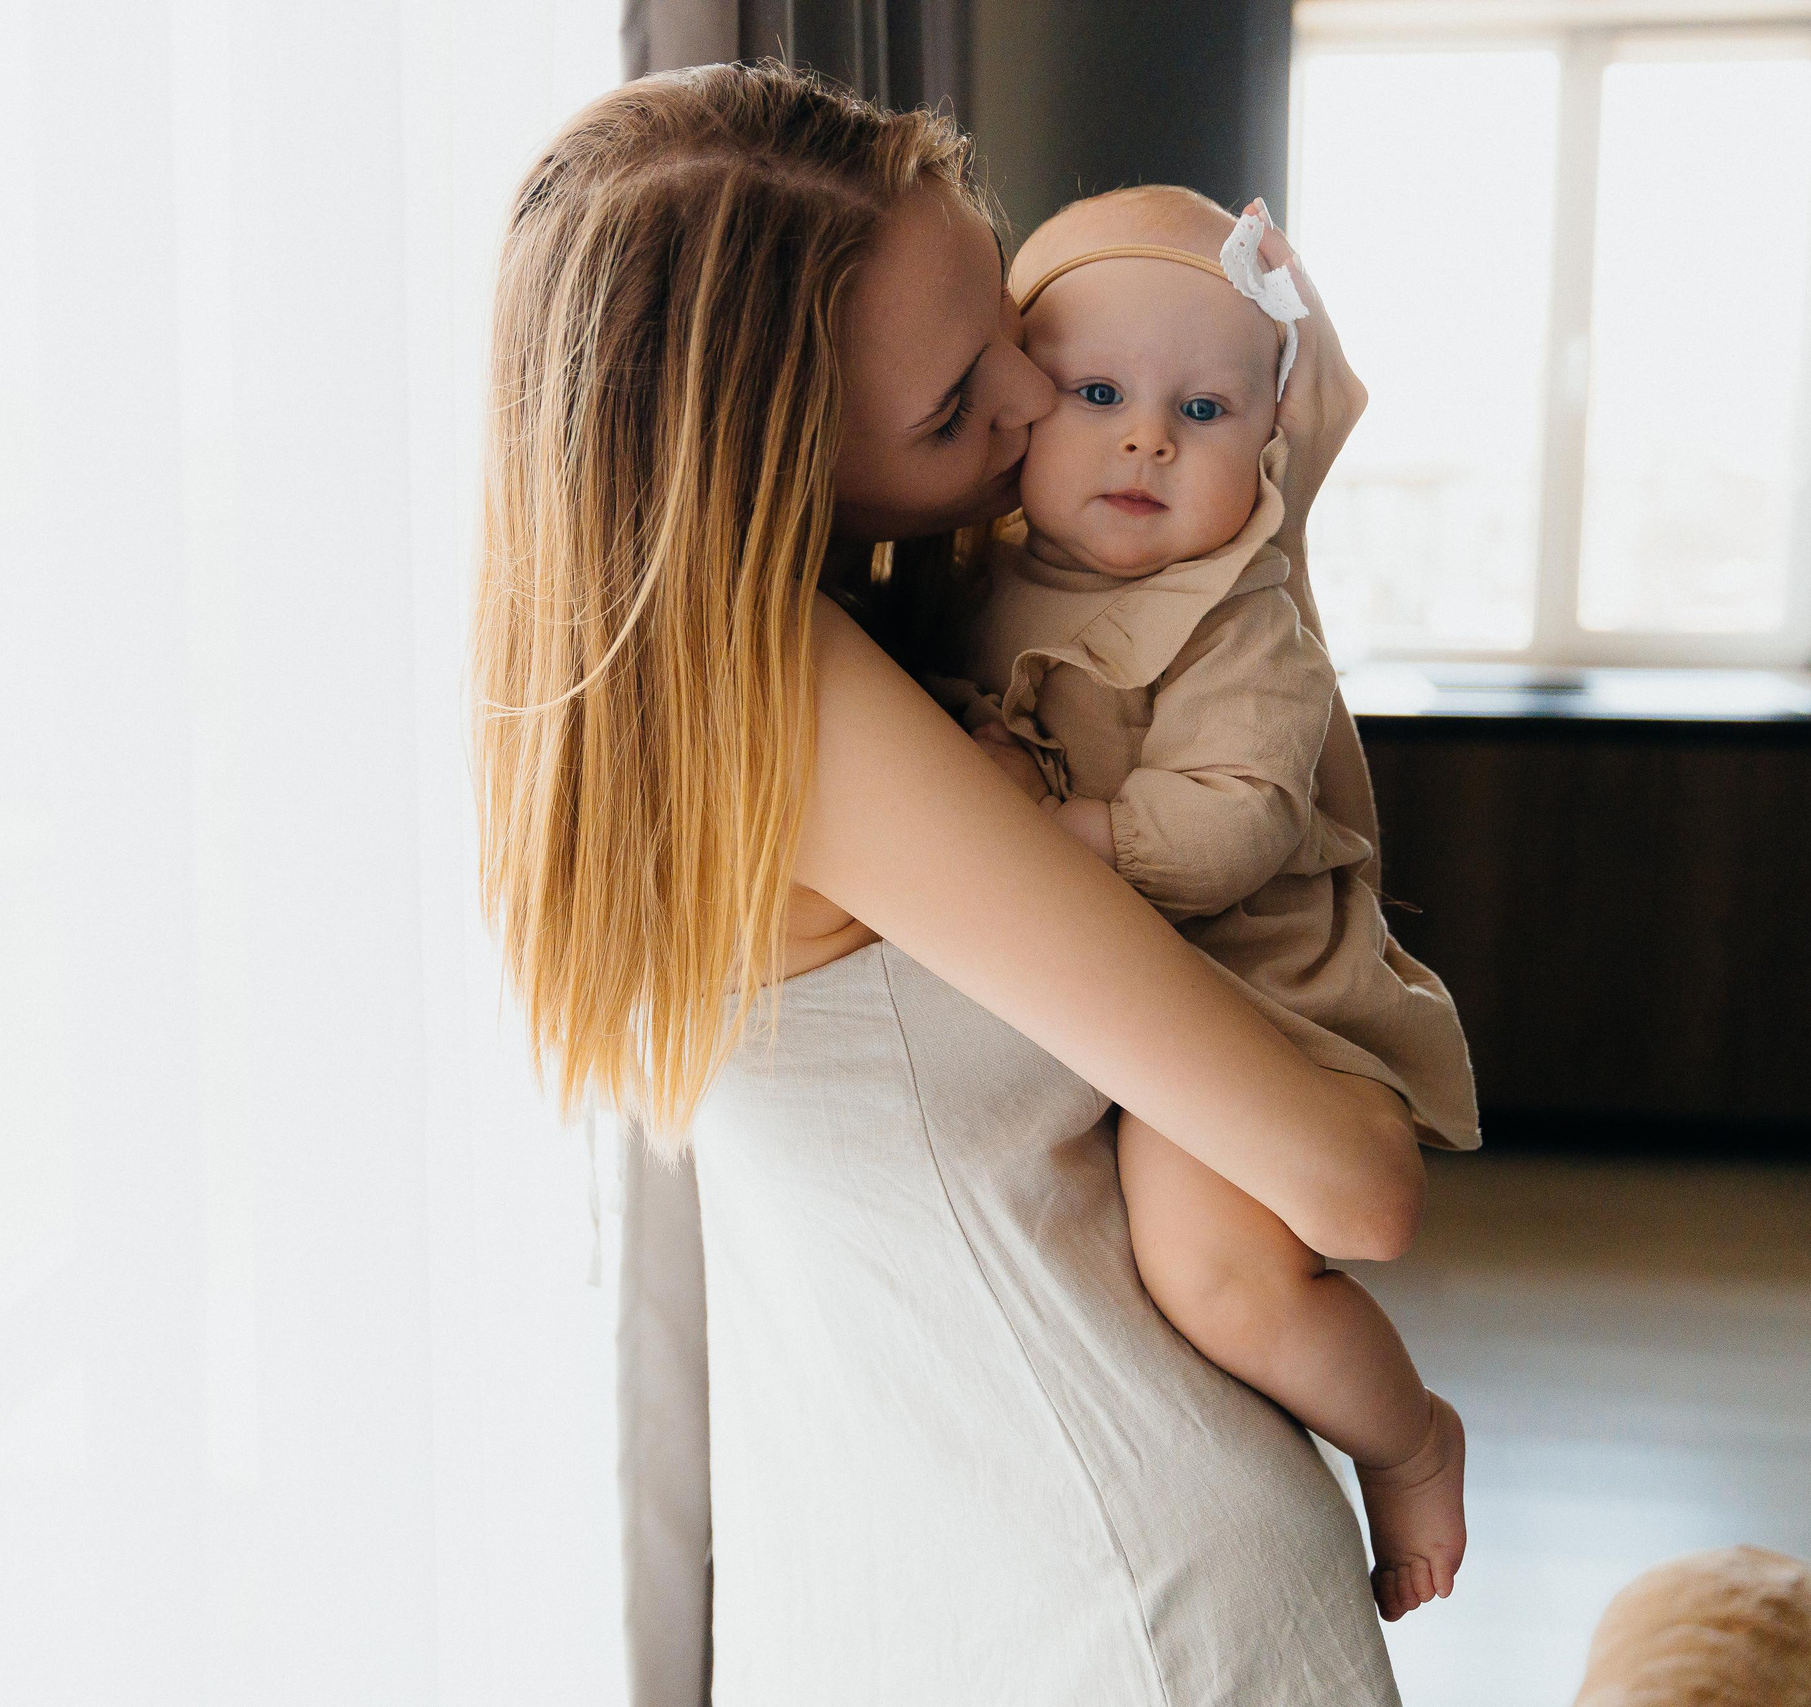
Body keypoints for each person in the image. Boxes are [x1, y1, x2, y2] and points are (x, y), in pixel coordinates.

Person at [472, 62, 1419, 1704]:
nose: (1038, 407)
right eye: (952, 404)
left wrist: (1257, 524)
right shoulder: (816, 707)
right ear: (769, 459)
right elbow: (1354, 1176)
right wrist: (1268, 550)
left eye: (1010, 332)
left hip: (894, 1567)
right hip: (1115, 1596)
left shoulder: (636, 689)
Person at [935, 184, 1477, 1623]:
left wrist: (1052, 830)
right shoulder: (964, 581)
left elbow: (1232, 825)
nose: (1147, 437)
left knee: (1219, 1278)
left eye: (1209, 409)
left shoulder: (1243, 615)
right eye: (1096, 390)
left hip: (1253, 990)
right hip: (1113, 985)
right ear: (1012, 412)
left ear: (1273, 444)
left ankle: (1410, 1439)